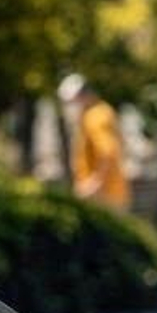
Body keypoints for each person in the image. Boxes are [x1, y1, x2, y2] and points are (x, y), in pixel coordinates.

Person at [59, 73, 130, 211]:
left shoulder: (95, 117)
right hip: (112, 193)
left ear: (83, 96)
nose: (70, 106)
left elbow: (108, 152)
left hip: (104, 196)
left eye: (71, 101)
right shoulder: (102, 111)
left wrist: (93, 184)